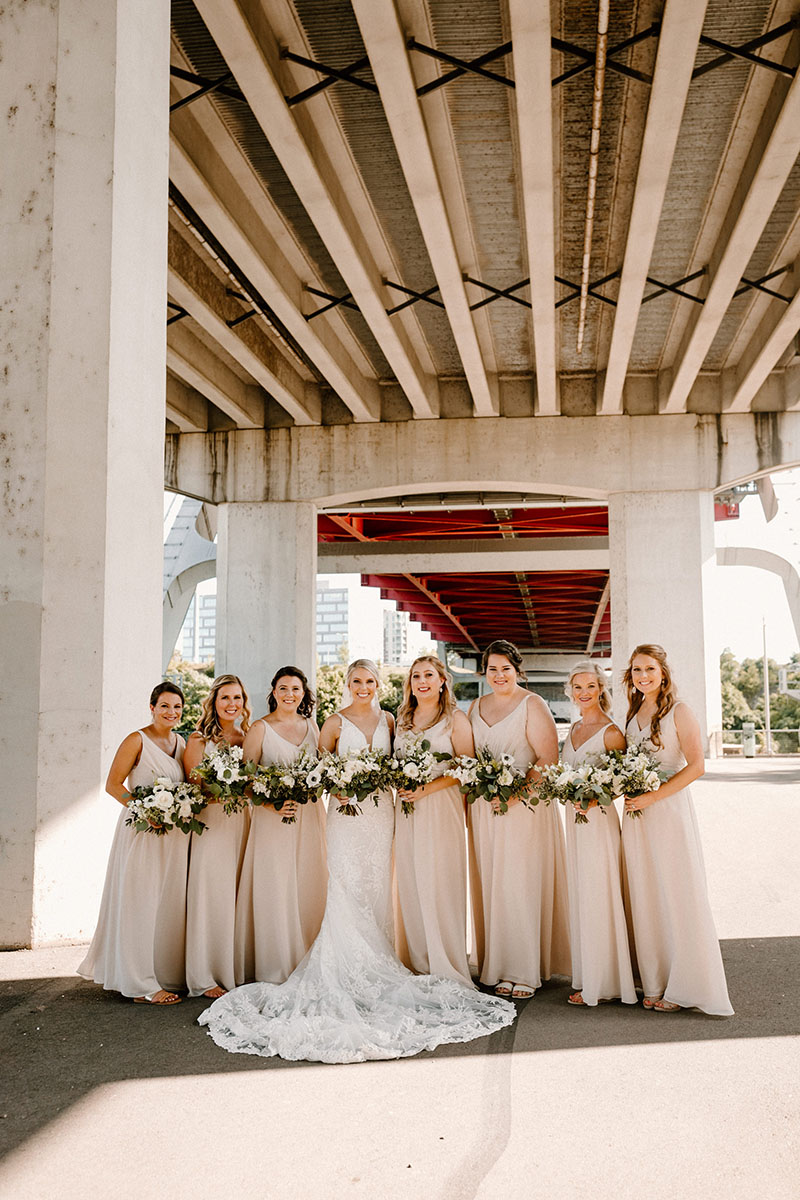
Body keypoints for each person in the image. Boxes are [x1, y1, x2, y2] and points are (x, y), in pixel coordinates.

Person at [199, 658, 515, 1063]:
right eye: (355, 681)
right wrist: (337, 786)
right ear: (346, 684)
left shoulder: (390, 721)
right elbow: (316, 769)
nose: (362, 686)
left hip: (384, 814)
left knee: (379, 887)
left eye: (368, 680)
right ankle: (342, 965)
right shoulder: (332, 721)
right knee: (345, 886)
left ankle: (384, 958)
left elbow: (404, 763)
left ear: (379, 684)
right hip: (345, 817)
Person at [622, 644, 733, 1016]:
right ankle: (654, 982)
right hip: (636, 817)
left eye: (649, 669)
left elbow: (697, 765)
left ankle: (687, 986)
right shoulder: (633, 712)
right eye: (636, 670)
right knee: (647, 895)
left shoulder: (679, 711)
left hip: (668, 812)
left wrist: (654, 797)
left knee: (676, 895)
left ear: (663, 672)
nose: (643, 676)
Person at [469, 639, 570, 998]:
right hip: (485, 808)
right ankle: (497, 966)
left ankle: (524, 970)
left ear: (517, 670)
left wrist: (514, 796)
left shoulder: (532, 704)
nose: (499, 675)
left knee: (519, 883)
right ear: (485, 672)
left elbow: (546, 758)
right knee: (494, 884)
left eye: (505, 669)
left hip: (523, 808)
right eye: (492, 669)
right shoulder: (475, 706)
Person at [78, 683, 189, 1004]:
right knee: (139, 902)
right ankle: (140, 985)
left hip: (171, 835)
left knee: (162, 904)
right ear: (152, 707)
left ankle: (158, 972)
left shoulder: (179, 743)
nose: (171, 712)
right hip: (142, 830)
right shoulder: (136, 740)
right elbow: (114, 785)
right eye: (165, 706)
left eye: (177, 707)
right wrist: (145, 809)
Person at [233, 666, 326, 985]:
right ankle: (275, 963)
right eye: (283, 688)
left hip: (310, 815)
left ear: (304, 693)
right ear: (273, 691)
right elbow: (244, 780)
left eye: (296, 689)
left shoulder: (313, 727)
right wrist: (270, 804)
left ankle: (308, 958)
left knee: (307, 882)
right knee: (276, 884)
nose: (290, 694)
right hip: (272, 819)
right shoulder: (259, 728)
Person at [394, 655, 474, 986]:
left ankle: (447, 961)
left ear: (443, 681)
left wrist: (426, 788)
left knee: (439, 880)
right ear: (410, 684)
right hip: (407, 810)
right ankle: (418, 962)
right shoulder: (401, 720)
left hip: (441, 806)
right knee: (411, 881)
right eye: (416, 676)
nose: (422, 681)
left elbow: (466, 766)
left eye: (429, 675)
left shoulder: (455, 718)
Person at [561, 661, 636, 1008]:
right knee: (581, 893)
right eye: (578, 687)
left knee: (599, 893)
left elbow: (621, 782)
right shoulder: (573, 728)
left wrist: (592, 798)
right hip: (573, 823)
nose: (584, 693)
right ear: (571, 691)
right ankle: (588, 974)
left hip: (599, 822)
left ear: (601, 689)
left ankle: (605, 981)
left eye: (591, 686)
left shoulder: (610, 732)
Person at [183, 674, 251, 998]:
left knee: (237, 893)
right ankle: (204, 973)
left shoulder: (247, 736)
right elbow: (193, 786)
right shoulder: (198, 739)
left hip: (243, 822)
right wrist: (219, 793)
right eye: (225, 698)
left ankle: (232, 967)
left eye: (237, 698)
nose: (231, 704)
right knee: (210, 892)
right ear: (213, 701)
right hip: (211, 822)